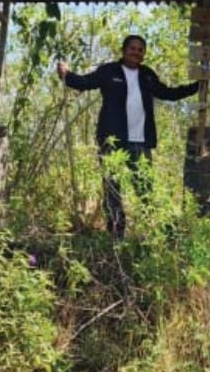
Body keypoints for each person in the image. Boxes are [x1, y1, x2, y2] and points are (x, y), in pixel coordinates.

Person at [56, 34, 199, 237]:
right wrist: (66, 74)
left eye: (140, 49)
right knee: (112, 188)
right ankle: (116, 234)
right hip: (112, 141)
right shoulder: (108, 71)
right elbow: (84, 83)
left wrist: (196, 87)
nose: (136, 52)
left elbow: (168, 93)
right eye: (132, 48)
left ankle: (157, 234)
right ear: (124, 50)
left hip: (141, 141)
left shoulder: (147, 75)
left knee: (145, 187)